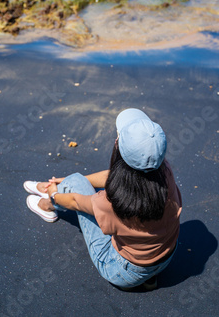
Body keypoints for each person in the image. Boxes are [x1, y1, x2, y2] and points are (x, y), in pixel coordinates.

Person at [23, 108, 182, 290]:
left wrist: (55, 193)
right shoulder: (165, 172)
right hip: (166, 256)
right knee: (76, 181)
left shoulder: (111, 202)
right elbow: (113, 177)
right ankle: (150, 279)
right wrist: (76, 180)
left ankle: (47, 206)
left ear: (118, 145)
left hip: (123, 271)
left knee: (74, 183)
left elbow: (76, 202)